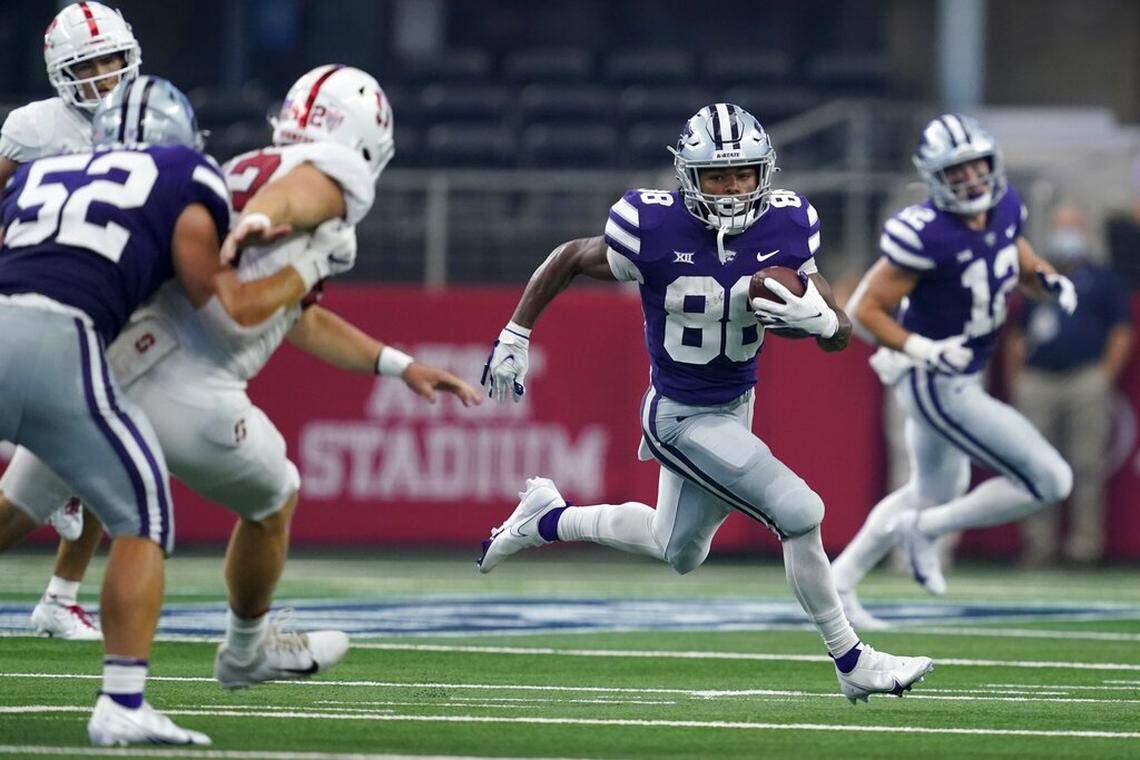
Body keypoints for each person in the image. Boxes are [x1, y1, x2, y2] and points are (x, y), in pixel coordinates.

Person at [0, 64, 481, 692]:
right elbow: (300, 198)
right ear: (364, 135)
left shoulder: (237, 167)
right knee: (273, 496)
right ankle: (243, 653)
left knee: (11, 514)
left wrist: (398, 364)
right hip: (188, 382)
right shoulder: (332, 171)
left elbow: (296, 319)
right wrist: (267, 225)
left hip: (104, 364)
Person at [477, 103, 934, 702]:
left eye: (744, 174)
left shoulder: (788, 224)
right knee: (801, 511)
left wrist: (822, 319)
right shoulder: (651, 224)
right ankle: (851, 659)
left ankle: (547, 518)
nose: (733, 187)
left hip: (733, 405)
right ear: (689, 176)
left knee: (678, 550)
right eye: (718, 175)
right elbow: (569, 257)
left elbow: (838, 332)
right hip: (678, 415)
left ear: (762, 172)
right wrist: (516, 332)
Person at [0, 76, 340, 746]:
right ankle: (122, 701)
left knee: (16, 508)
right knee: (143, 512)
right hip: (57, 337)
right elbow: (225, 311)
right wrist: (303, 271)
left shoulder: (41, 172)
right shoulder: (184, 171)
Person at [831, 113, 1076, 630]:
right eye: (956, 171)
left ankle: (840, 582)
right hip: (936, 380)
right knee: (1049, 479)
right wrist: (922, 347)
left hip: (962, 372)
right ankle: (925, 529)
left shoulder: (1006, 207)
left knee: (932, 487)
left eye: (977, 166)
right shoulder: (925, 233)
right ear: (934, 178)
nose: (971, 179)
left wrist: (1047, 279)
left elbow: (1019, 257)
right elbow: (864, 310)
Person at [0, 1, 143, 640]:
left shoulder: (150, 120)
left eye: (115, 60)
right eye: (91, 65)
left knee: (120, 463)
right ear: (63, 71)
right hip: (33, 291)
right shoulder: (33, 128)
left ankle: (61, 596)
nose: (108, 75)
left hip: (110, 300)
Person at [1010, 203, 1133, 566]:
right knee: (1034, 465)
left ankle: (1084, 547)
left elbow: (1122, 330)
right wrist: (1018, 376)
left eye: (1073, 226)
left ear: (1085, 232)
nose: (1066, 234)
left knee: (1087, 465)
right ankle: (1038, 546)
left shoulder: (1104, 278)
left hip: (1084, 377)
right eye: (1061, 226)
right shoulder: (1037, 277)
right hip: (1038, 379)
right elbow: (1017, 332)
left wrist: (1104, 376)